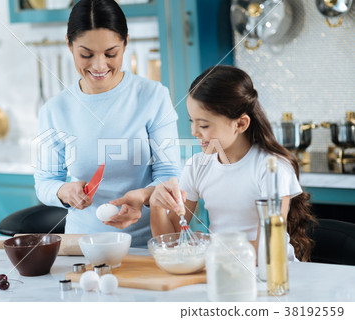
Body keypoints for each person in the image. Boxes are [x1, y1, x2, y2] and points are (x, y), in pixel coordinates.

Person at [34, 0, 181, 247]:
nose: (99, 66)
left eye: (111, 54)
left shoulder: (153, 96)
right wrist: (64, 192)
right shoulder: (54, 110)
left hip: (145, 244)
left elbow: (170, 174)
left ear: (125, 43)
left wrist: (144, 196)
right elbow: (45, 182)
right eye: (86, 55)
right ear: (69, 46)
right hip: (82, 245)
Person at [149, 65, 316, 261]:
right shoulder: (197, 165)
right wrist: (156, 205)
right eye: (191, 122)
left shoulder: (272, 168)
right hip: (224, 269)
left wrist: (206, 250)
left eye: (203, 125)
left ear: (240, 124)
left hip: (272, 274)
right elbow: (172, 242)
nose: (194, 132)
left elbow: (267, 249)